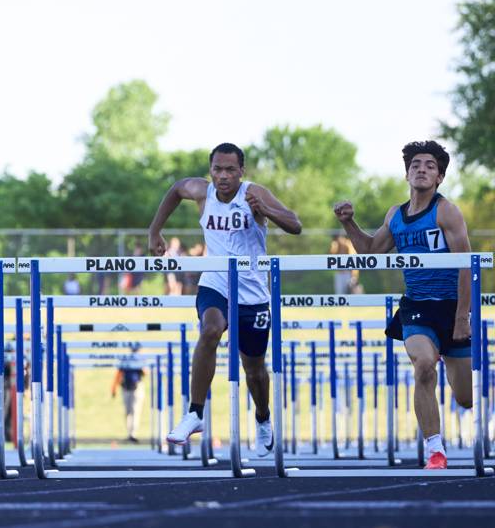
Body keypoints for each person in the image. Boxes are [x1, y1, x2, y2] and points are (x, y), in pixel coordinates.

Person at [148, 142, 303, 457]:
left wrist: (265, 209)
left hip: (253, 290)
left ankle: (262, 419)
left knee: (254, 370)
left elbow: (295, 225)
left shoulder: (255, 192)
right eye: (217, 169)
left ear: (241, 171)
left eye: (230, 170)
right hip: (216, 281)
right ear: (211, 170)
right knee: (210, 330)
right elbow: (177, 189)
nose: (223, 176)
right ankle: (195, 413)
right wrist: (155, 231)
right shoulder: (202, 193)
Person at [333, 140, 474, 470]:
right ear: (406, 173)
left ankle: (459, 403)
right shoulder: (395, 215)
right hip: (416, 306)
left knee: (465, 398)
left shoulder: (446, 211)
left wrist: (462, 317)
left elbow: (467, 265)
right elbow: (370, 253)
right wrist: (348, 223)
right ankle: (435, 449)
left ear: (439, 177)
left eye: (429, 166)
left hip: (452, 306)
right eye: (415, 165)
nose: (421, 169)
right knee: (424, 365)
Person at [111, 345, 147, 443]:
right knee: (128, 412)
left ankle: (133, 434)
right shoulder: (126, 360)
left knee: (135, 411)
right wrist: (113, 388)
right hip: (126, 387)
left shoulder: (140, 360)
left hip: (136, 387)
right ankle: (129, 433)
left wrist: (140, 363)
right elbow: (119, 374)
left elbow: (145, 372)